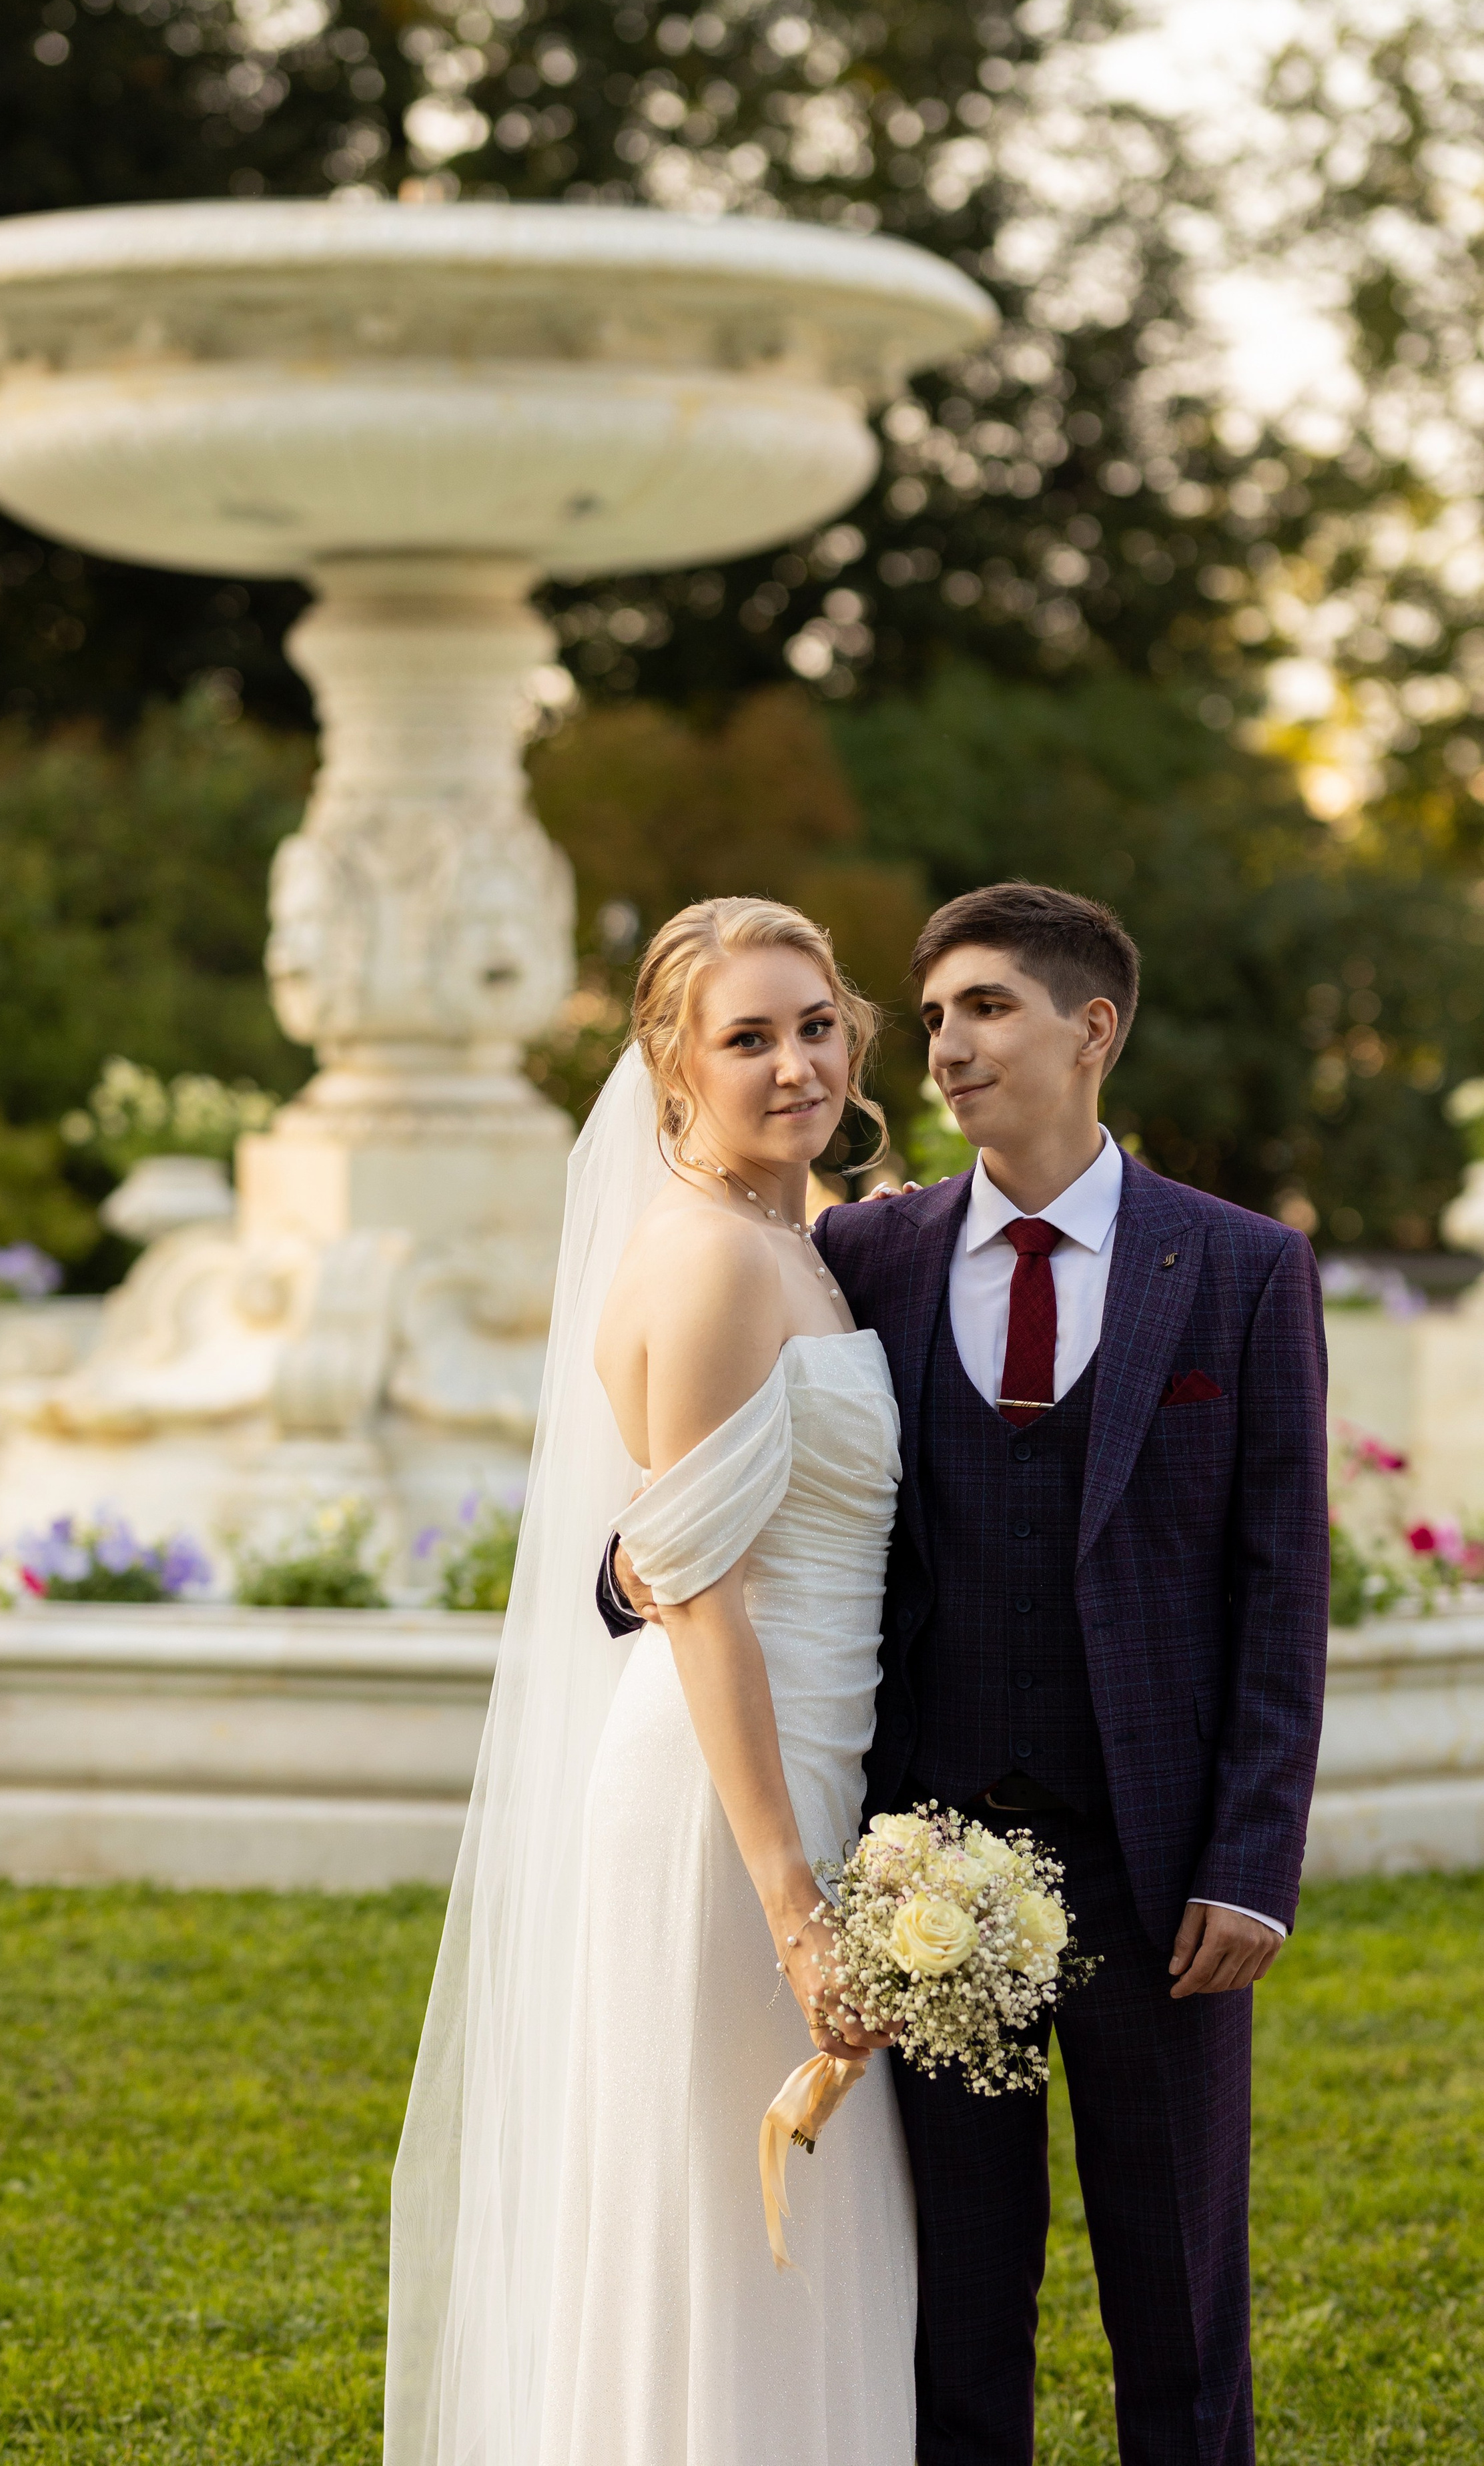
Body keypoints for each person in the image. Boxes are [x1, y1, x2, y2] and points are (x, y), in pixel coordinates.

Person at [385, 896, 921, 2466]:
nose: (793, 1064)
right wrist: (791, 1899)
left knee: (797, 2220)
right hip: (721, 1805)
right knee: (720, 2219)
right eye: (744, 1037)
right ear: (670, 1067)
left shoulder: (790, 1240)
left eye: (814, 1026)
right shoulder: (705, 1262)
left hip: (812, 1770)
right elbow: (689, 1593)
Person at [801, 881, 1330, 2466]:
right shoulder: (865, 1254)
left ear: (1089, 1030)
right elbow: (772, 1479)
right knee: (957, 2303)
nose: (944, 1046)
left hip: (1157, 1868)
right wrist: (633, 1575)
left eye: (985, 1009)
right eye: (937, 1012)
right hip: (930, 1869)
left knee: (1174, 2300)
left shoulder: (1235, 1270)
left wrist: (1249, 1862)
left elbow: (1277, 1584)